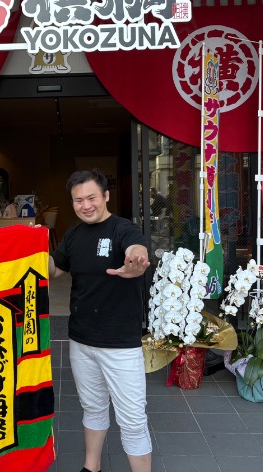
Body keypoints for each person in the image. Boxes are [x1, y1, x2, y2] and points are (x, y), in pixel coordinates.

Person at [48, 170, 152, 472]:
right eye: (78, 200)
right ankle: (91, 468)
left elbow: (137, 250)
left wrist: (136, 261)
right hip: (81, 340)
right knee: (92, 408)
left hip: (120, 344)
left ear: (105, 196)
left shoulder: (123, 229)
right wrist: (28, 247)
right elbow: (55, 270)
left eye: (92, 197)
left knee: (132, 418)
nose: (86, 205)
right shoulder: (74, 235)